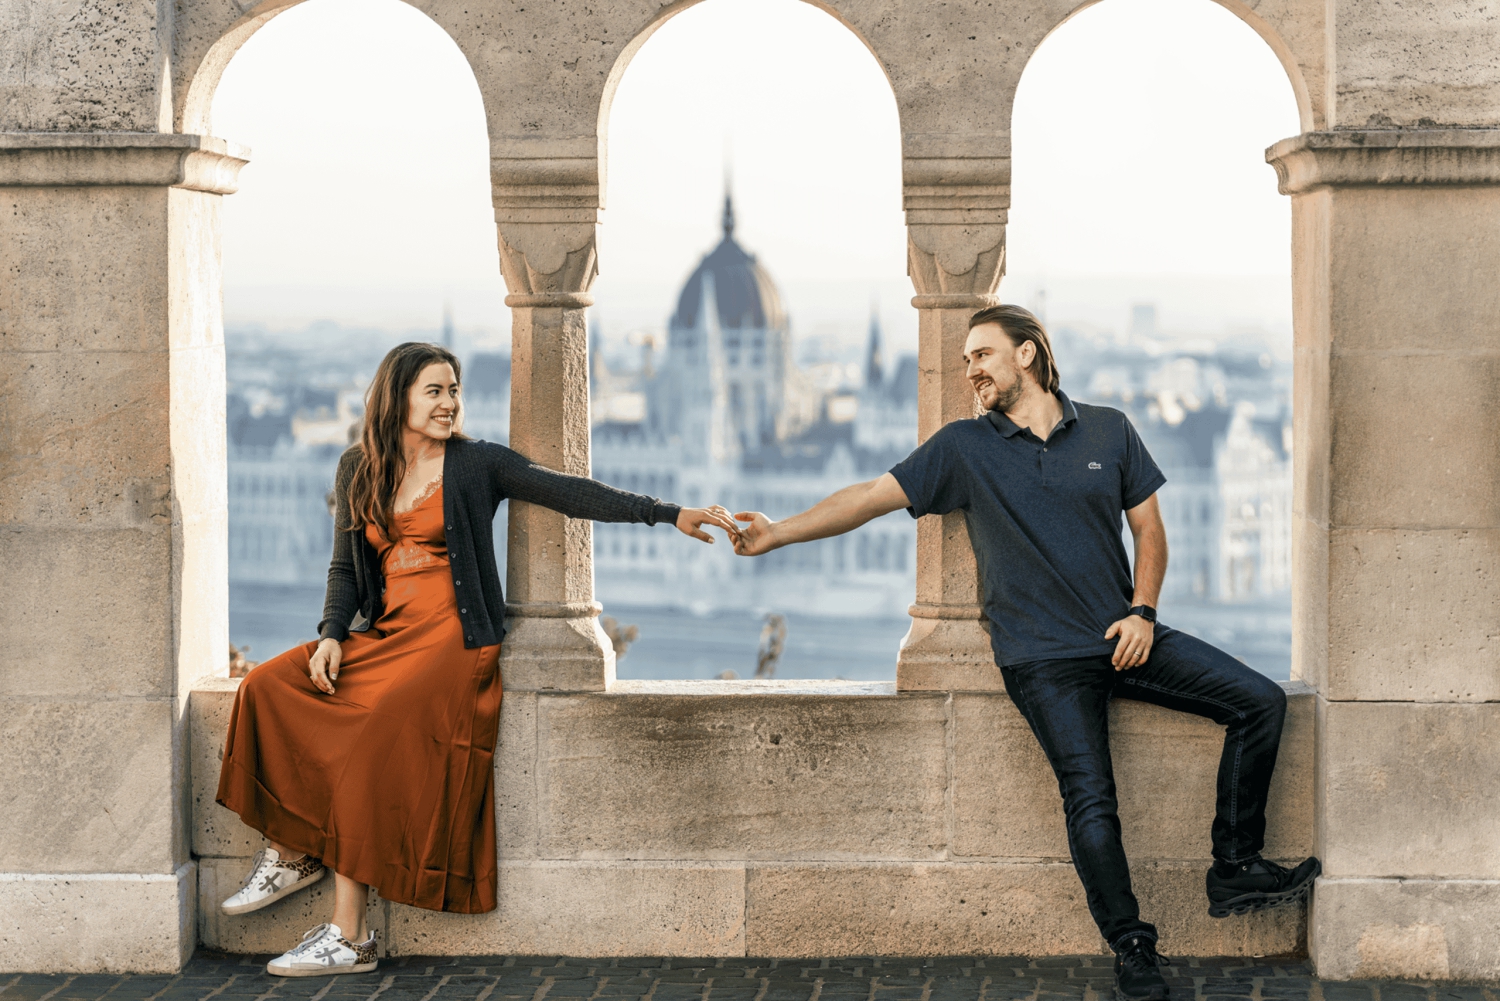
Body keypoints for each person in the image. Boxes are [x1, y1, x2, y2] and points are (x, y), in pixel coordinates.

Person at [730, 305, 1319, 1000]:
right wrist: (778, 531)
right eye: (965, 361)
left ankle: (1235, 864)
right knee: (1091, 798)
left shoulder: (1109, 429)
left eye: (982, 355)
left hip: (1123, 636)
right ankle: (1133, 946)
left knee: (1259, 702)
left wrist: (1143, 612)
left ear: (1028, 354)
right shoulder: (963, 447)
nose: (970, 371)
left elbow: (1150, 532)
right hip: (1042, 660)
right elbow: (868, 497)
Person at [216, 342, 737, 978]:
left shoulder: (476, 463)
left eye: (455, 390)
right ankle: (293, 851)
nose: (449, 403)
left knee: (369, 732)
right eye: (434, 391)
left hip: (453, 639)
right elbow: (344, 569)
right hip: (387, 632)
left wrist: (667, 513)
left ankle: (350, 936)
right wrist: (330, 634)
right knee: (266, 686)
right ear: (398, 397)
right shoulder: (357, 466)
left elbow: (568, 492)